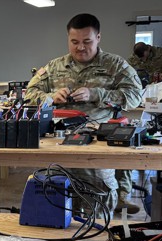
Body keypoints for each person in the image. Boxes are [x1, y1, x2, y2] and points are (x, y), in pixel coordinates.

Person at [26, 13, 143, 218]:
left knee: (96, 203)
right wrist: (50, 97)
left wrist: (97, 94)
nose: (80, 47)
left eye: (87, 41)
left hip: (97, 142)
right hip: (59, 142)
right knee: (57, 201)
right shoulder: (54, 66)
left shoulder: (115, 65)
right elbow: (29, 94)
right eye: (75, 42)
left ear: (98, 37)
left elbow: (134, 96)